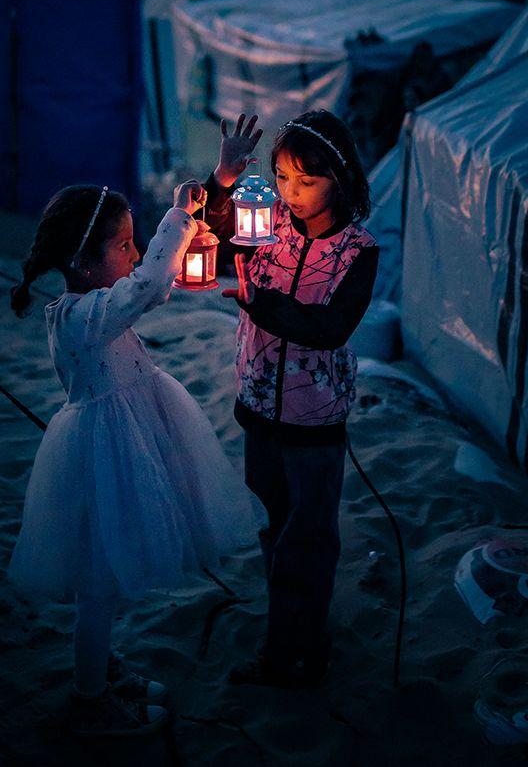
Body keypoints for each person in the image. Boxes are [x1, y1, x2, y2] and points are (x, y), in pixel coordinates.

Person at [7, 182, 256, 737]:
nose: (137, 253)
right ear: (82, 261)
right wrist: (177, 217)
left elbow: (153, 287)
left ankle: (97, 667)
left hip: (129, 437)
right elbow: (147, 287)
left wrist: (195, 209)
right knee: (100, 583)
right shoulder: (81, 317)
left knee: (107, 582)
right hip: (107, 456)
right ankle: (90, 693)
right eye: (123, 245)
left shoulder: (95, 307)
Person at [202, 111, 380, 688]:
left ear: (342, 177)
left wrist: (262, 306)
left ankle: (294, 651)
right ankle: (289, 631)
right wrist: (225, 177)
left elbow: (332, 327)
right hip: (257, 404)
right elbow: (214, 224)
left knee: (309, 538)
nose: (291, 193)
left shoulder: (358, 249)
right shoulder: (268, 220)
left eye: (307, 181)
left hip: (315, 417)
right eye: (282, 177)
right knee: (272, 526)